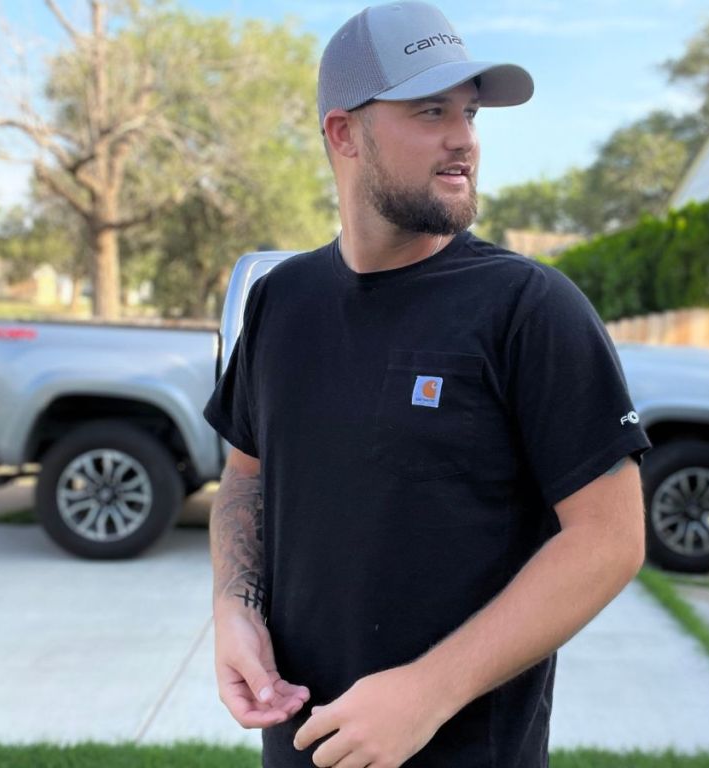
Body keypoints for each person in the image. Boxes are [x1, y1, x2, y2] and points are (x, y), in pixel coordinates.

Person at [203, 2, 651, 766]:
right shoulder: (282, 301)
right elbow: (246, 477)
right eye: (430, 110)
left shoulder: (529, 308)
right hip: (302, 740)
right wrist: (234, 609)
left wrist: (428, 691)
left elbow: (610, 540)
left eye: (470, 113)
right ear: (344, 134)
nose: (464, 139)